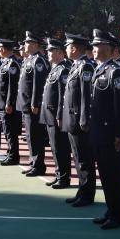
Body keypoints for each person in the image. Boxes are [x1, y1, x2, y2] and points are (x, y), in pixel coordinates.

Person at [87, 29, 120, 229]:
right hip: (99, 132)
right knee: (104, 174)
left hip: (111, 134)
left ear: (110, 48)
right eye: (93, 46)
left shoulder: (116, 72)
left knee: (114, 175)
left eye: (98, 45)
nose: (94, 49)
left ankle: (118, 215)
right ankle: (111, 210)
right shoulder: (99, 69)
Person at [61, 33, 97, 207]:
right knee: (77, 157)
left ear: (74, 48)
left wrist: (84, 119)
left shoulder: (86, 67)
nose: (66, 49)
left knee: (84, 160)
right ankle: (82, 191)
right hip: (72, 120)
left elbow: (86, 96)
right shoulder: (76, 66)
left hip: (79, 121)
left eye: (67, 46)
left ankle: (87, 194)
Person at [41, 38, 73, 189]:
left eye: (51, 51)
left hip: (56, 115)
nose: (48, 53)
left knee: (61, 148)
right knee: (54, 147)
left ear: (60, 53)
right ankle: (59, 174)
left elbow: (62, 95)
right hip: (49, 113)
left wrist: (60, 115)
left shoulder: (64, 69)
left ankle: (64, 178)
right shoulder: (54, 68)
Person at [18, 31, 50, 177]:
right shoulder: (29, 59)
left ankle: (38, 165)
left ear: (34, 44)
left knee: (35, 135)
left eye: (27, 42)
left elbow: (39, 84)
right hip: (26, 104)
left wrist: (35, 103)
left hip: (33, 106)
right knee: (30, 135)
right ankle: (33, 162)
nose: (25, 45)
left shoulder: (38, 61)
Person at [0, 39, 23, 166]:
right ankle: (10, 153)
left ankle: (13, 156)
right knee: (6, 130)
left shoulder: (12, 64)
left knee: (10, 131)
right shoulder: (5, 62)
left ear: (4, 49)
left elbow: (12, 86)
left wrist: (9, 103)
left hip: (7, 104)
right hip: (2, 102)